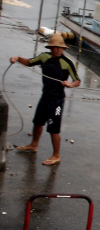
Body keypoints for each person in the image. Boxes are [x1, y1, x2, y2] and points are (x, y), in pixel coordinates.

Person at [10, 34, 81, 166]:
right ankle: (34, 145)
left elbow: (77, 80)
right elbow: (30, 62)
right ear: (51, 48)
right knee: (38, 122)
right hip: (45, 97)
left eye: (61, 48)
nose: (59, 50)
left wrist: (70, 84)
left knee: (54, 128)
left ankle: (56, 155)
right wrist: (18, 58)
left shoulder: (67, 62)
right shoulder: (44, 57)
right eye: (56, 47)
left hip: (57, 100)